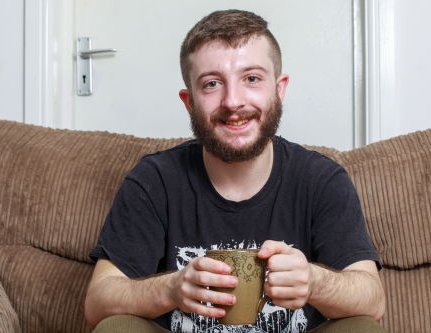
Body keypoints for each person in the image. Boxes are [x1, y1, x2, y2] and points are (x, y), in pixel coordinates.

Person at [85, 9, 386, 333]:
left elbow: (372, 301)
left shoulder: (322, 181)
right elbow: (98, 302)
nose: (233, 101)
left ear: (279, 89)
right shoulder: (154, 180)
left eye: (252, 78)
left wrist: (315, 281)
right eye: (212, 84)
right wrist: (170, 289)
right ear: (189, 102)